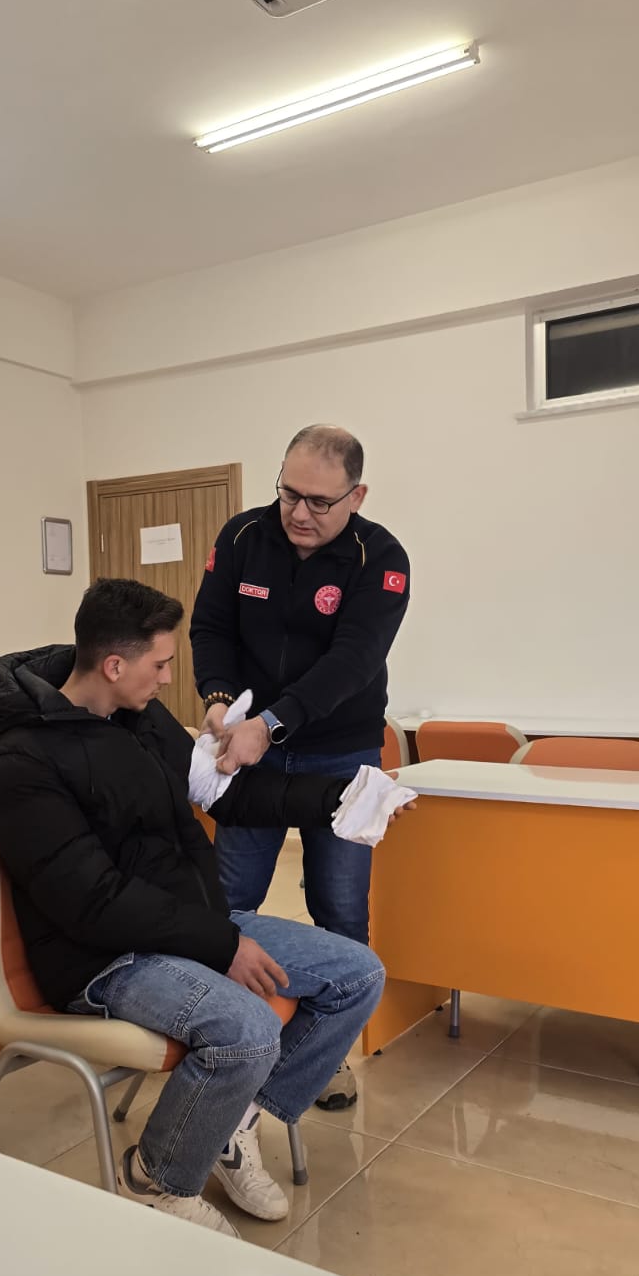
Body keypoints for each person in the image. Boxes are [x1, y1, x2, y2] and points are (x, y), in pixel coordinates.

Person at [0, 578, 390, 1239]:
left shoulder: (140, 721)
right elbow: (92, 902)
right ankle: (157, 1180)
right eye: (161, 664)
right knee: (248, 1027)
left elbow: (231, 795)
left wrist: (342, 796)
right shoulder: (20, 763)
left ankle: (228, 1124)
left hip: (188, 927)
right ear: (115, 666)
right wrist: (222, 945)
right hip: (104, 959)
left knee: (357, 974)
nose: (171, 679)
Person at [189, 424, 409, 1110]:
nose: (299, 513)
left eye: (319, 501)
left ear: (356, 496)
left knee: (339, 907)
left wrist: (272, 724)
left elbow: (353, 662)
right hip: (248, 751)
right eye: (289, 494)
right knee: (228, 901)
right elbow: (211, 627)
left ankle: (323, 1059)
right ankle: (214, 1042)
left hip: (340, 750)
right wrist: (220, 699)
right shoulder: (242, 536)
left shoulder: (381, 557)